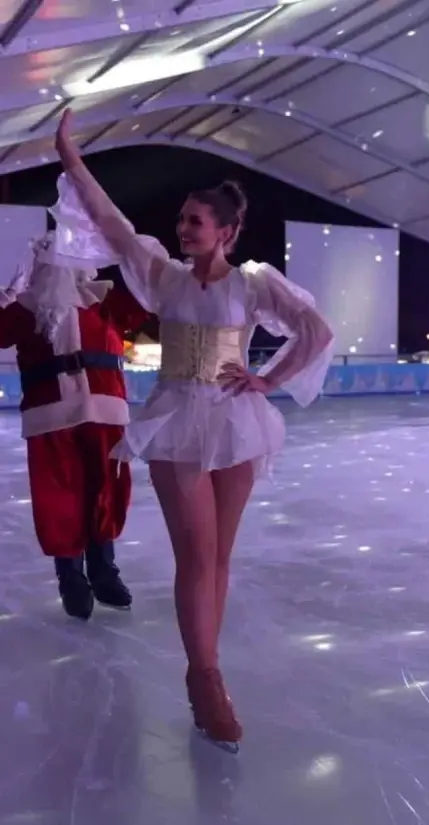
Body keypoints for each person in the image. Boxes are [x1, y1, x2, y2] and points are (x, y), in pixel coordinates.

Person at [54, 109, 335, 753]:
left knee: (221, 557)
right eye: (181, 219)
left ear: (228, 232)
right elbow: (110, 223)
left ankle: (207, 666)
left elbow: (317, 332)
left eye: (195, 221)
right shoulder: (163, 276)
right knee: (196, 556)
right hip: (177, 420)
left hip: (236, 422)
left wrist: (267, 379)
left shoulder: (252, 283)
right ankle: (205, 678)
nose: (182, 229)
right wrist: (72, 160)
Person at [0, 231, 148, 619]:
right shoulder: (26, 308)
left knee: (107, 490)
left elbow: (150, 294)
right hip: (50, 422)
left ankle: (103, 570)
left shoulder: (106, 301)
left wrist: (132, 249)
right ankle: (71, 578)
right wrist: (5, 296)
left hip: (105, 415)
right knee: (59, 499)